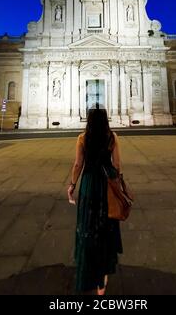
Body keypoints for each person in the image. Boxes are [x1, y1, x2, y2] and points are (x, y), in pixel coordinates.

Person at [68, 107, 123, 295]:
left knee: (88, 226)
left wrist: (72, 185)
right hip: (106, 186)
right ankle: (102, 282)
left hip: (89, 185)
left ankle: (88, 268)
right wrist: (118, 185)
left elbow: (77, 164)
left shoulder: (82, 138)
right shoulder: (112, 137)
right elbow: (116, 165)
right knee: (105, 228)